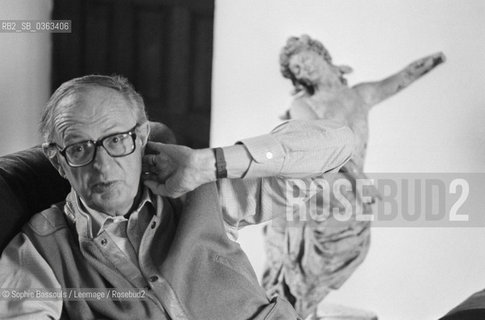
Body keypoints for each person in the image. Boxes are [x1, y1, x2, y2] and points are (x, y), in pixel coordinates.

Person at [0, 74, 355, 320]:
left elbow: (338, 144)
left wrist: (208, 163)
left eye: (116, 140)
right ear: (58, 161)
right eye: (79, 148)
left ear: (141, 137)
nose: (103, 165)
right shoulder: (38, 249)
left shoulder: (200, 190)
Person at [262, 34, 446, 319]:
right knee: (298, 278)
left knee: (345, 256)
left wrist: (431, 62)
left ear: (323, 56)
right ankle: (293, 311)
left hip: (349, 202)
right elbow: (330, 145)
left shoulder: (360, 95)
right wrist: (360, 180)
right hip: (316, 200)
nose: (303, 69)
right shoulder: (304, 104)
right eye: (296, 69)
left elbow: (399, 79)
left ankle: (300, 310)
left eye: (305, 60)